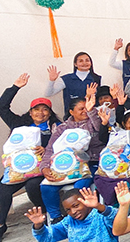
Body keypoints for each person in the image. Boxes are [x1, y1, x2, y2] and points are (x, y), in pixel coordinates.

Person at [0, 73, 62, 242]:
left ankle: (42, 213)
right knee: (4, 187)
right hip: (18, 170)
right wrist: (15, 87)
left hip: (42, 169)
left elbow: (63, 146)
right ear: (30, 112)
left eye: (45, 110)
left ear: (50, 113)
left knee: (33, 186)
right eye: (36, 109)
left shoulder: (54, 128)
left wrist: (47, 149)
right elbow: (1, 107)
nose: (40, 113)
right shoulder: (19, 124)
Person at [39, 87, 106, 222]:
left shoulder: (93, 121)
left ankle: (83, 215)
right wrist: (44, 167)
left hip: (91, 163)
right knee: (46, 186)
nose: (84, 111)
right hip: (65, 166)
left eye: (86, 107)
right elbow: (50, 150)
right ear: (71, 112)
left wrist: (92, 111)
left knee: (80, 186)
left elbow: (101, 132)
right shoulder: (62, 128)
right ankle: (57, 218)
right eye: (81, 109)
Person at [46, 52, 103, 117]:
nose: (84, 63)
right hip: (71, 118)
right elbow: (48, 94)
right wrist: (52, 81)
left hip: (92, 118)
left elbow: (102, 100)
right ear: (75, 64)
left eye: (87, 60)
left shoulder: (98, 79)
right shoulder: (66, 79)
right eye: (81, 61)